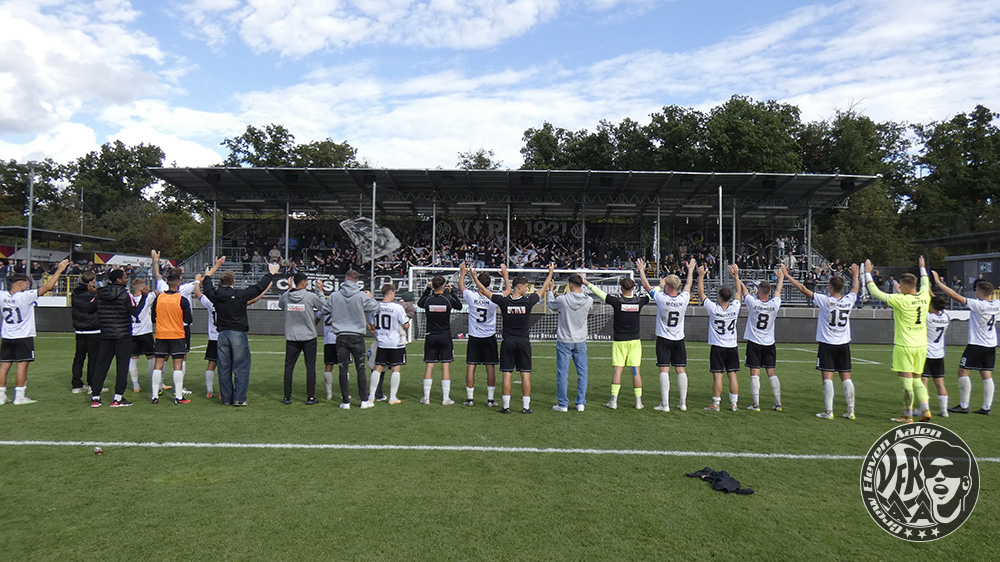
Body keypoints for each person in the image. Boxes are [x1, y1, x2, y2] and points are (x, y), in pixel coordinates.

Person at [472, 264, 554, 414]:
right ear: (519, 287)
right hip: (523, 342)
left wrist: (473, 276)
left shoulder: (504, 301)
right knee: (525, 375)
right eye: (526, 287)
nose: (527, 289)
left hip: (508, 342)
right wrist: (550, 272)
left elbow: (484, 290)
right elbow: (544, 288)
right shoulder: (528, 301)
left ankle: (506, 407)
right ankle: (526, 407)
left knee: (507, 375)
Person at [783, 262, 860, 419]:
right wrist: (856, 276)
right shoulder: (848, 300)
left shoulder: (825, 300)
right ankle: (850, 411)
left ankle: (828, 411)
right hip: (843, 344)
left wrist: (787, 276)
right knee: (846, 377)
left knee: (827, 377)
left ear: (831, 287)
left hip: (827, 344)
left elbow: (803, 289)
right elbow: (855, 289)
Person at [202, 258, 280, 406]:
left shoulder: (216, 295)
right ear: (233, 281)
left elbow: (207, 288)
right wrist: (270, 274)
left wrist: (207, 276)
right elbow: (258, 288)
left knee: (224, 368)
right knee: (241, 367)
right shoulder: (239, 294)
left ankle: (226, 399)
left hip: (222, 334)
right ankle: (239, 398)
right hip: (237, 333)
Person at [865, 257, 932, 423]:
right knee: (917, 379)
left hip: (904, 346)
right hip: (921, 345)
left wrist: (867, 273)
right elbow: (925, 283)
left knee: (906, 381)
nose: (899, 288)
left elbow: (875, 292)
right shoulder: (925, 297)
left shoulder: (901, 300)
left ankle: (908, 415)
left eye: (901, 286)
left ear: (906, 286)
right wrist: (922, 268)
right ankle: (925, 409)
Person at [0, 260, 69, 405]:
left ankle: (1, 395)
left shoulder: (2, 295)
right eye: (26, 284)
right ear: (19, 284)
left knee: (4, 366)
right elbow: (48, 287)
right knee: (22, 366)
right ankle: (19, 396)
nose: (28, 286)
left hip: (7, 335)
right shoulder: (25, 296)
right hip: (23, 336)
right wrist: (59, 270)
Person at [933, 270, 999, 415]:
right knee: (986, 374)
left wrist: (938, 283)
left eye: (976, 290)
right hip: (991, 345)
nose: (975, 292)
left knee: (963, 372)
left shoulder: (978, 304)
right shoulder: (997, 304)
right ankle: (986, 407)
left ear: (980, 292)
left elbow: (954, 296)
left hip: (976, 344)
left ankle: (964, 405)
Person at [82, 267, 150, 408]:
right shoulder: (125, 295)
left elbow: (89, 309)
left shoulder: (100, 294)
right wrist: (144, 297)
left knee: (101, 366)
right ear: (118, 280)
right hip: (123, 335)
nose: (126, 279)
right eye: (125, 277)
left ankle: (95, 397)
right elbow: (135, 312)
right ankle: (117, 398)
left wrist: (93, 296)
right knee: (122, 367)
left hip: (106, 334)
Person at [589, 261, 652, 410]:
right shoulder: (639, 302)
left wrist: (586, 283)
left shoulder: (617, 302)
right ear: (633, 288)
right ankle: (638, 402)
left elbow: (599, 293)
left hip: (619, 342)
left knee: (618, 369)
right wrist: (650, 277)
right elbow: (652, 292)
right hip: (634, 342)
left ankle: (614, 401)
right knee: (635, 371)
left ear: (621, 288)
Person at [639, 259, 696, 412]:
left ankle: (665, 404)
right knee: (681, 370)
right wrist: (690, 270)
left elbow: (646, 286)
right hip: (679, 339)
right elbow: (688, 285)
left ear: (668, 286)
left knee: (664, 370)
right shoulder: (684, 299)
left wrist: (642, 270)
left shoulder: (661, 298)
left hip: (664, 338)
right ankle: (683, 403)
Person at [323, 269, 380, 409]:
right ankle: (364, 400)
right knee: (360, 368)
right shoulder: (361, 296)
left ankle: (345, 402)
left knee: (343, 369)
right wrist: (370, 297)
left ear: (346, 279)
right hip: (357, 336)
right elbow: (376, 308)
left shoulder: (335, 296)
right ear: (356, 281)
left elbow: (324, 310)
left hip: (341, 336)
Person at [458, 262, 507, 408]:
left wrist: (463, 273)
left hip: (474, 336)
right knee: (490, 367)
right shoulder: (494, 297)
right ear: (489, 284)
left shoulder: (471, 296)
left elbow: (461, 287)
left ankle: (470, 399)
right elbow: (509, 291)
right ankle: (490, 400)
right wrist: (505, 275)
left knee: (471, 366)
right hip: (489, 336)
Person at [697, 264, 745, 412]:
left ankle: (716, 404)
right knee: (732, 375)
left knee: (718, 376)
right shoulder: (735, 307)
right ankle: (734, 404)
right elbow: (739, 292)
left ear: (719, 297)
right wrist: (736, 275)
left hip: (718, 346)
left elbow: (701, 294)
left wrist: (701, 276)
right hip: (732, 346)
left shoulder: (713, 309)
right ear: (730, 297)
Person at [736, 268, 785, 412]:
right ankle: (778, 403)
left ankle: (756, 404)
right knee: (772, 372)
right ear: (769, 292)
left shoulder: (753, 303)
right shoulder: (774, 304)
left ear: (758, 291)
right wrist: (781, 278)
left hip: (754, 342)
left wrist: (736, 276)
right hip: (769, 343)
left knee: (755, 372)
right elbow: (778, 291)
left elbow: (744, 290)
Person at [546, 271, 593, 412]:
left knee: (562, 374)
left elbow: (550, 304)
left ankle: (563, 404)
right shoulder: (588, 300)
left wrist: (550, 291)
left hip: (564, 340)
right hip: (580, 340)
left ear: (570, 285)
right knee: (582, 373)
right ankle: (580, 403)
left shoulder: (563, 300)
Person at [278, 272, 325, 405]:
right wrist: (321, 291)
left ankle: (287, 397)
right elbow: (324, 307)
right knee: (310, 367)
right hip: (308, 337)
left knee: (289, 367)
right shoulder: (310, 296)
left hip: (292, 337)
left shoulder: (286, 296)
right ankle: (310, 397)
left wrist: (288, 289)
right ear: (304, 282)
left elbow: (280, 305)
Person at [417, 275, 464, 405]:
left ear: (433, 285)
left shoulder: (428, 300)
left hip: (431, 335)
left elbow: (419, 303)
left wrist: (427, 290)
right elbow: (459, 306)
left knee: (429, 365)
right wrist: (452, 293)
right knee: (445, 366)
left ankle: (426, 397)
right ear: (444, 286)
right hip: (445, 335)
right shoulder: (447, 300)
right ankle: (445, 398)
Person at [367, 284, 410, 404]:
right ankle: (392, 397)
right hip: (396, 343)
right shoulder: (397, 307)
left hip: (382, 342)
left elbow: (372, 326)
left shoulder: (375, 307)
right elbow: (406, 325)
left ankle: (371, 396)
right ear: (391, 292)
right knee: (396, 368)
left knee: (378, 368)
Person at [70, 270, 101, 394]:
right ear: (92, 282)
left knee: (79, 357)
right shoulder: (93, 294)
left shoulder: (75, 293)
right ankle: (92, 385)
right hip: (93, 329)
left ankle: (76, 385)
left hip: (79, 329)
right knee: (93, 359)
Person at [922, 296, 952, 418]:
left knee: (924, 382)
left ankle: (925, 409)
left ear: (931, 306)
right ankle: (944, 411)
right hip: (939, 354)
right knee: (940, 383)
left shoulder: (928, 317)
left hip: (927, 353)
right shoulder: (946, 317)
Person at [128, 278, 156, 394]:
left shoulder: (128, 299)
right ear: (142, 287)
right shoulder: (148, 298)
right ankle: (156, 382)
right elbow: (160, 290)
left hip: (132, 333)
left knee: (133, 358)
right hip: (145, 333)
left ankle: (135, 384)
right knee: (151, 357)